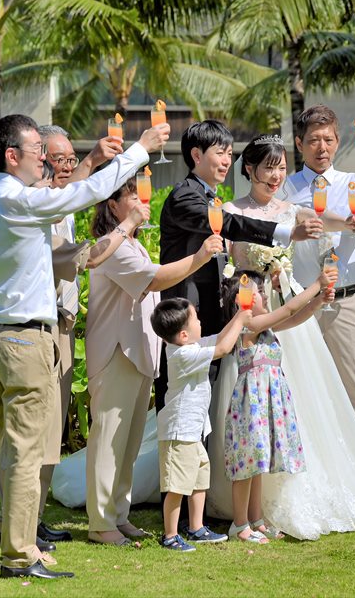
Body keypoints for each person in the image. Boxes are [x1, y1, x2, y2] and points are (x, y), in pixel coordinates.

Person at [0, 113, 168, 579]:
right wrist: (142, 147)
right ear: (12, 157)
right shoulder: (20, 199)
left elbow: (36, 255)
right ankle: (19, 555)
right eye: (38, 155)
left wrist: (88, 250)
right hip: (23, 340)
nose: (46, 165)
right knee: (24, 452)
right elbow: (85, 193)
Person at [207, 134, 355, 540]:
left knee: (301, 400)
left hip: (286, 312)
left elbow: (328, 221)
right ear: (249, 169)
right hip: (249, 313)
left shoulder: (291, 208)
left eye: (281, 167)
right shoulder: (230, 211)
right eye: (269, 167)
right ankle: (239, 499)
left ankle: (284, 489)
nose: (276, 175)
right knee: (244, 399)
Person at [84, 179, 223, 546]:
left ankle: (118, 514)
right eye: (132, 193)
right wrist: (200, 257)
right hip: (116, 352)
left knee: (127, 443)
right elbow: (156, 278)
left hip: (138, 352)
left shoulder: (133, 244)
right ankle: (100, 523)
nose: (140, 198)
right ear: (113, 205)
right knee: (109, 440)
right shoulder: (113, 248)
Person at [156, 120, 322, 409]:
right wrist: (284, 232)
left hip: (213, 314)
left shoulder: (209, 196)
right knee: (183, 404)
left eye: (230, 153)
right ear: (197, 156)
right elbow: (230, 224)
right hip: (188, 316)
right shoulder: (185, 196)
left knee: (208, 400)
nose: (226, 161)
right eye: (220, 152)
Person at [283, 105, 355, 453]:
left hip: (345, 300)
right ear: (299, 143)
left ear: (338, 141)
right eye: (313, 140)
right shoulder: (285, 187)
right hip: (301, 304)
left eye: (328, 139)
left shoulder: (354, 183)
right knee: (302, 388)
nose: (322, 147)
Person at [218, 267, 335, 543]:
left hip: (267, 400)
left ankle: (256, 519)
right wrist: (316, 284)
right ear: (242, 300)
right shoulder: (247, 324)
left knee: (257, 463)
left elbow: (294, 316)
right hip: (251, 405)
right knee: (247, 464)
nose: (262, 295)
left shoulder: (263, 325)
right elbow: (288, 310)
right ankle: (239, 523)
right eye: (257, 292)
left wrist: (318, 302)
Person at [150, 298, 250, 552]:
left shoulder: (188, 345)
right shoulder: (184, 354)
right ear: (183, 334)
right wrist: (242, 318)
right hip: (179, 431)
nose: (200, 321)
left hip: (193, 429)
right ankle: (170, 535)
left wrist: (240, 313)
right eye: (195, 319)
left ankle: (196, 527)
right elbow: (223, 349)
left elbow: (219, 339)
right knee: (177, 486)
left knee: (198, 478)